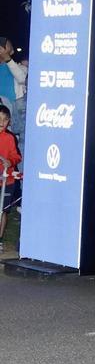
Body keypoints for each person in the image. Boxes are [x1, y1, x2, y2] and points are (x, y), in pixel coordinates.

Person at [0, 105, 22, 253]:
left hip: (7, 182)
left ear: (9, 122)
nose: (2, 122)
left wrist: (10, 162)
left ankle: (0, 239)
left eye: (5, 119)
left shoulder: (10, 138)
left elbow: (17, 156)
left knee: (3, 211)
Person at [0, 37, 26, 147]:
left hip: (13, 114)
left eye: (6, 44)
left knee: (11, 144)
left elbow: (22, 78)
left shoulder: (21, 67)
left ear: (12, 51)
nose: (3, 46)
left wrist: (8, 59)